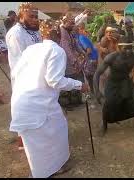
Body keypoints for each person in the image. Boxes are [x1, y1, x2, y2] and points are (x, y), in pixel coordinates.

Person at [9, 19, 89, 178]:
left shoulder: (30, 50)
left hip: (21, 101)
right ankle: (48, 170)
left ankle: (47, 168)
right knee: (50, 134)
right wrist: (80, 85)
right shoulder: (57, 50)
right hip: (38, 104)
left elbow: (14, 73)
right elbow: (55, 80)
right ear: (58, 35)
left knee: (43, 137)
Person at [93, 38, 134, 136]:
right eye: (125, 48)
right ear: (119, 48)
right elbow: (97, 74)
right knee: (109, 102)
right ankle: (104, 125)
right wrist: (97, 91)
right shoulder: (111, 57)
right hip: (113, 82)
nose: (128, 51)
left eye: (130, 48)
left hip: (125, 80)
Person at [6, 2, 41, 86]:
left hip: (38, 76)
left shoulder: (35, 31)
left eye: (36, 17)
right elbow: (20, 62)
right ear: (21, 16)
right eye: (31, 16)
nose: (35, 19)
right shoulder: (16, 33)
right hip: (24, 80)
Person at [58, 13, 86, 108]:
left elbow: (75, 44)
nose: (73, 25)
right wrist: (74, 61)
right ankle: (68, 103)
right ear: (64, 22)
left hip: (72, 60)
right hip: (66, 61)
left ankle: (75, 100)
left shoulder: (69, 31)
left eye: (73, 23)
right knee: (68, 81)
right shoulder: (62, 32)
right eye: (71, 23)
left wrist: (82, 52)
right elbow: (66, 48)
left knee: (76, 79)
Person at [74, 23, 98, 93]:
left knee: (91, 77)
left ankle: (95, 93)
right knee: (90, 78)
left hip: (91, 59)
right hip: (92, 59)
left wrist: (83, 60)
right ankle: (94, 92)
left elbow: (89, 51)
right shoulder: (80, 37)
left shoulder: (81, 38)